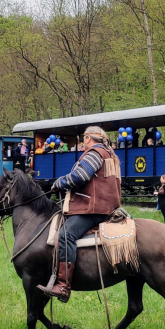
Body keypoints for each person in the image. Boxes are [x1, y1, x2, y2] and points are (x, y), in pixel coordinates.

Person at [39, 126, 121, 303]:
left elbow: (80, 176)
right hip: (108, 207)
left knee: (65, 234)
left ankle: (63, 285)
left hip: (94, 209)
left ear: (88, 138)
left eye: (84, 139)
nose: (83, 143)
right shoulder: (110, 155)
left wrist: (59, 182)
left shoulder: (94, 153)